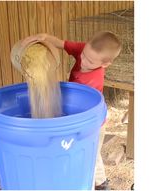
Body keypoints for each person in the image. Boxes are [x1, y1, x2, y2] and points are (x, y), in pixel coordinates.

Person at [21, 31, 122, 190]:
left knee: (90, 154)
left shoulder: (92, 82)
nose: (83, 60)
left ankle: (101, 184)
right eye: (84, 55)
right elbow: (61, 43)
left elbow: (81, 111)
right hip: (80, 113)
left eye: (89, 61)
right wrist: (44, 38)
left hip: (93, 120)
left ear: (105, 64)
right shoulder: (85, 51)